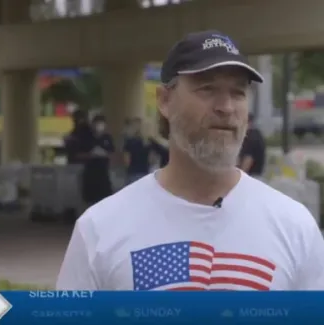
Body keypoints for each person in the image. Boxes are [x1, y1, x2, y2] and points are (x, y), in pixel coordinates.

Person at [57, 30, 324, 290]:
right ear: (165, 100)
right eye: (207, 89)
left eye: (238, 92)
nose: (226, 107)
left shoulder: (294, 226)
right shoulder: (99, 229)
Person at [81, 114, 115, 206]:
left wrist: (104, 154)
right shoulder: (88, 137)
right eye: (97, 123)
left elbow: (112, 153)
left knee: (104, 198)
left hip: (103, 172)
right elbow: (81, 153)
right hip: (90, 172)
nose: (99, 126)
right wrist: (90, 154)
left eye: (101, 123)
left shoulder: (107, 138)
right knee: (91, 199)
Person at [123, 118, 151, 184]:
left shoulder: (129, 142)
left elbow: (126, 160)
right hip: (145, 172)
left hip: (133, 172)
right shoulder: (147, 142)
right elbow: (151, 159)